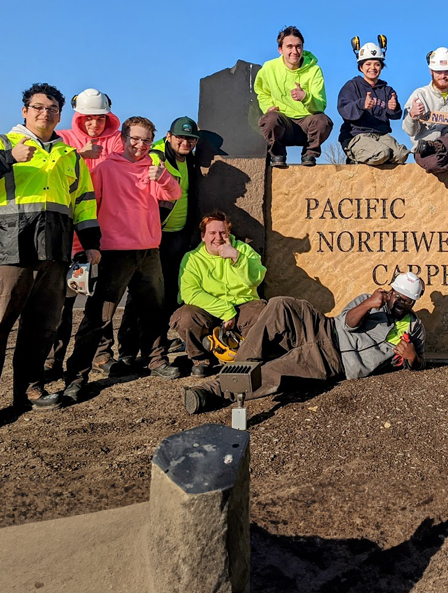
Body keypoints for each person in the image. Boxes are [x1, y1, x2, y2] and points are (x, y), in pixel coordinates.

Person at [183, 272, 426, 413]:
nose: (399, 303)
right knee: (281, 305)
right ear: (391, 290)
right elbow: (350, 323)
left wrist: (413, 358)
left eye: (407, 301)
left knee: (274, 371)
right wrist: (369, 304)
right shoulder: (371, 300)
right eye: (397, 296)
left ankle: (212, 392)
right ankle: (237, 370)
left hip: (333, 361)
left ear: (413, 303)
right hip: (323, 327)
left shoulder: (415, 329)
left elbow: (419, 364)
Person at [63, 117, 182, 403]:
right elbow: (90, 206)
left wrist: (163, 177)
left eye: (145, 140)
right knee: (99, 317)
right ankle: (76, 376)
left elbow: (174, 194)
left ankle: (156, 360)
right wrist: (88, 245)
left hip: (149, 250)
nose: (140, 145)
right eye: (135, 139)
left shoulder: (153, 168)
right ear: (124, 138)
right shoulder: (105, 168)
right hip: (114, 253)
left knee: (153, 310)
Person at [0, 84, 100, 411]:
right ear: (25, 111)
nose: (46, 113)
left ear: (60, 115)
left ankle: (30, 389)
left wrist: (91, 245)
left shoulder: (69, 156)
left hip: (54, 251)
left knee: (43, 326)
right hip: (10, 250)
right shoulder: (4, 143)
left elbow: (84, 202)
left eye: (53, 109)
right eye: (39, 107)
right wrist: (7, 159)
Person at [47, 89, 123, 378]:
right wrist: (80, 154)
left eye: (100, 119)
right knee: (62, 303)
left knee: (101, 302)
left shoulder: (116, 140)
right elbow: (49, 165)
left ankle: (102, 354)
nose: (94, 125)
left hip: (105, 233)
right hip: (70, 234)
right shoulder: (65, 138)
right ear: (79, 117)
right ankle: (53, 358)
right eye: (89, 119)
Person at [116, 116, 202, 365]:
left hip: (179, 236)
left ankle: (155, 342)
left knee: (166, 294)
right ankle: (127, 349)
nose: (186, 142)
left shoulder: (191, 162)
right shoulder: (157, 157)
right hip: (154, 235)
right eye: (181, 137)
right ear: (169, 136)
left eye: (191, 139)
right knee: (141, 293)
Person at [169, 211, 267, 377]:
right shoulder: (192, 258)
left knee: (263, 313)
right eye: (212, 233)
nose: (218, 237)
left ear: (229, 233)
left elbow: (255, 279)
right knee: (184, 317)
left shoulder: (242, 250)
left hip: (243, 306)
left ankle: (246, 356)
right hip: (209, 310)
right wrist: (226, 311)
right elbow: (189, 293)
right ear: (203, 236)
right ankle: (201, 359)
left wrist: (237, 258)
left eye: (223, 232)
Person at [255, 26, 332, 168]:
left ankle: (309, 153)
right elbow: (262, 91)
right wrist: (268, 107)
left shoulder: (314, 70)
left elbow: (320, 105)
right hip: (283, 124)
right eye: (289, 47)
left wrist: (306, 97)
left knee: (323, 121)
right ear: (280, 49)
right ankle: (278, 154)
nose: (294, 52)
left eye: (298, 47)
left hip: (307, 124)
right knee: (269, 119)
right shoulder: (269, 68)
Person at [337, 36, 409, 165]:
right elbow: (343, 109)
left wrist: (394, 108)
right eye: (368, 64)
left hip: (381, 135)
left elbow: (395, 115)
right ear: (361, 67)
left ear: (381, 67)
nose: (373, 68)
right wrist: (361, 104)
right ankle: (354, 157)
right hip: (357, 135)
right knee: (383, 153)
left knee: (401, 155)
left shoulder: (387, 90)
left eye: (377, 64)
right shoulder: (352, 86)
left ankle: (372, 157)